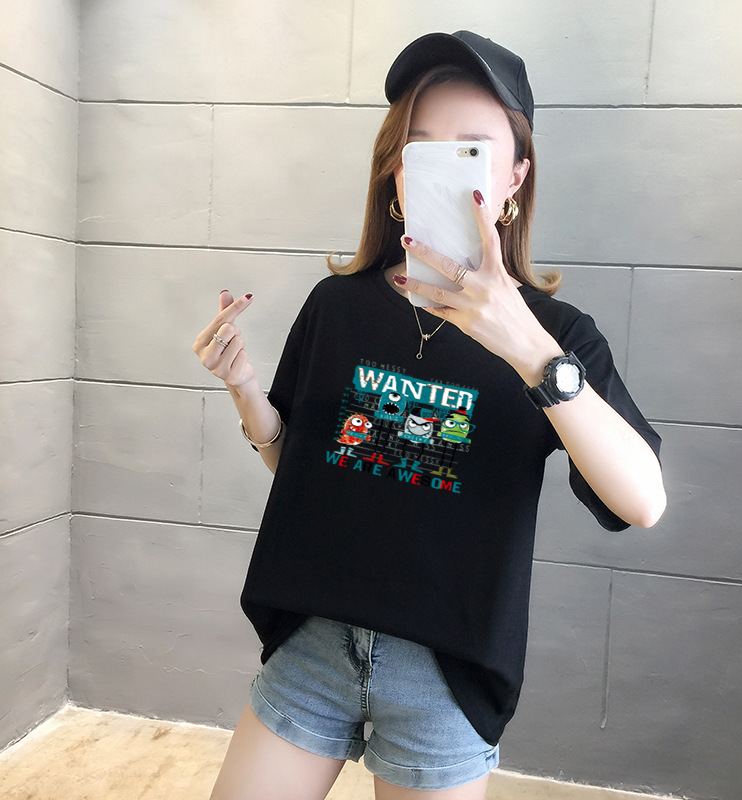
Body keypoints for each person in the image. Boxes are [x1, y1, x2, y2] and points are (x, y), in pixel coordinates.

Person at [193, 31, 666, 800]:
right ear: (396, 172)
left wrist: (528, 349)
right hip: (313, 646)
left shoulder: (559, 338)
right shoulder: (337, 306)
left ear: (515, 177)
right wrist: (246, 388)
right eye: (421, 147)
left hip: (445, 677)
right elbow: (301, 467)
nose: (442, 166)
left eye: (470, 149)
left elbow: (642, 501)